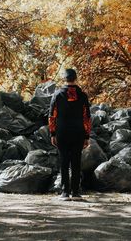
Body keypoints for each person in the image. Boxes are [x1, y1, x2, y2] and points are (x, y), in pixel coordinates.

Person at [48, 68, 91, 201]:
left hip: (62, 132)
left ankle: (65, 192)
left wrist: (53, 133)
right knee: (76, 162)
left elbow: (52, 115)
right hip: (78, 132)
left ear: (64, 79)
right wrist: (86, 136)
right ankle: (76, 192)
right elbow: (87, 117)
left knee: (64, 161)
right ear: (75, 78)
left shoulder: (57, 95)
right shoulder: (83, 96)